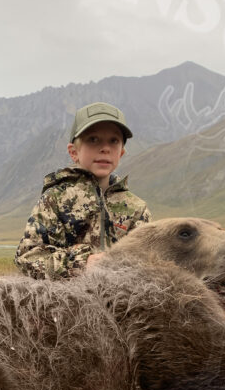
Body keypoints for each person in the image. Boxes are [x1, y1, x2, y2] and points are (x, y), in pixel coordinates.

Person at [15, 102, 151, 279]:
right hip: (66, 303)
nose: (105, 148)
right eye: (93, 139)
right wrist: (83, 263)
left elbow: (148, 262)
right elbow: (28, 257)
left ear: (121, 153)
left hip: (121, 302)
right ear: (74, 152)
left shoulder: (136, 209)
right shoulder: (55, 199)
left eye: (114, 141)